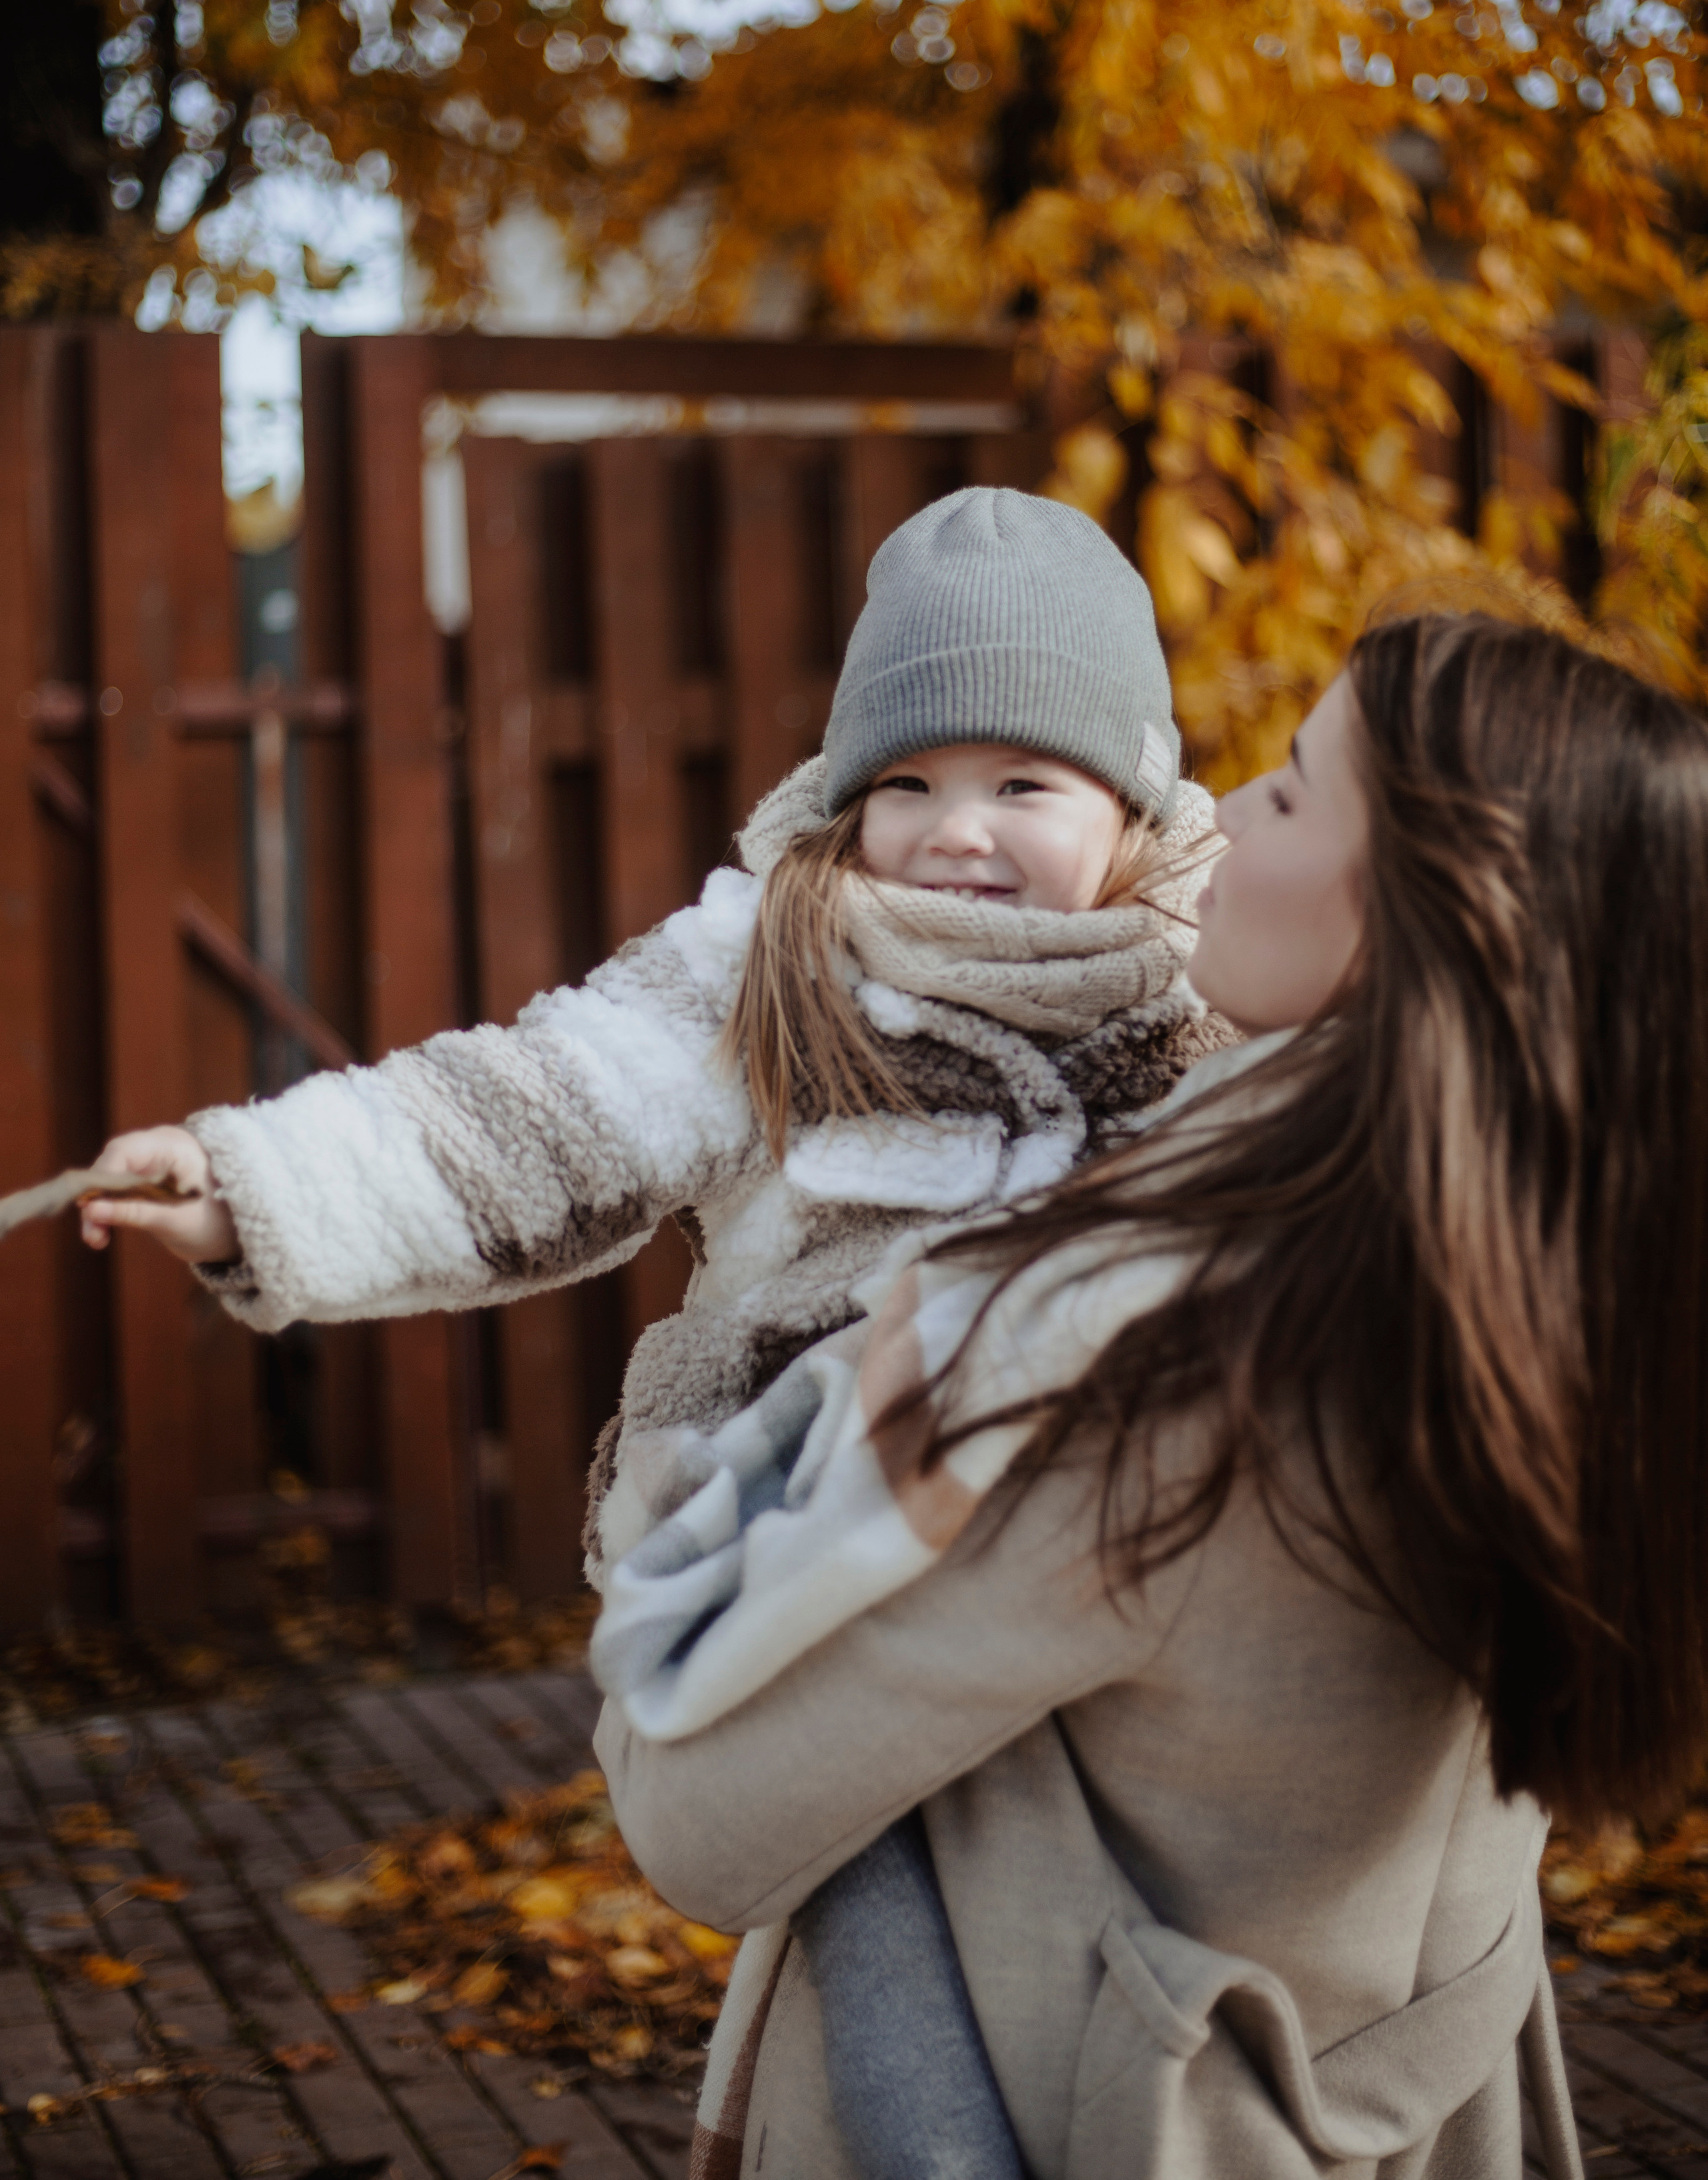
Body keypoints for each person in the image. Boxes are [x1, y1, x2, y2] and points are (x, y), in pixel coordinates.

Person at [592, 611, 1708, 2179]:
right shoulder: (1578, 1302)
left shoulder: (1143, 1366)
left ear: (1428, 915)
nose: (1226, 808)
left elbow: (698, 1810)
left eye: (1293, 789)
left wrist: (694, 1464)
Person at [79, 487, 1231, 1569]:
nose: (956, 833)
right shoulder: (774, 968)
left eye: (1021, 787)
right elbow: (539, 1116)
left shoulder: (1211, 988)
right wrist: (251, 1186)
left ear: (1130, 800)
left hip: (1110, 1560)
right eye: (908, 785)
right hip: (786, 1547)